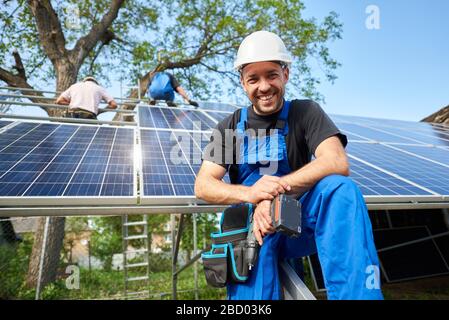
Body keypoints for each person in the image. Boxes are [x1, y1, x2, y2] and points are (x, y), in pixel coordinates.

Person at [194, 30, 383, 300]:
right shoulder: (229, 128)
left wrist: (273, 195)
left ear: (286, 74)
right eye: (253, 79)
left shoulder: (305, 112)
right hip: (251, 230)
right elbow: (203, 185)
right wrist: (251, 194)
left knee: (340, 189)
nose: (264, 86)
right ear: (242, 83)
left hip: (295, 220)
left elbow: (336, 160)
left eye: (271, 74)